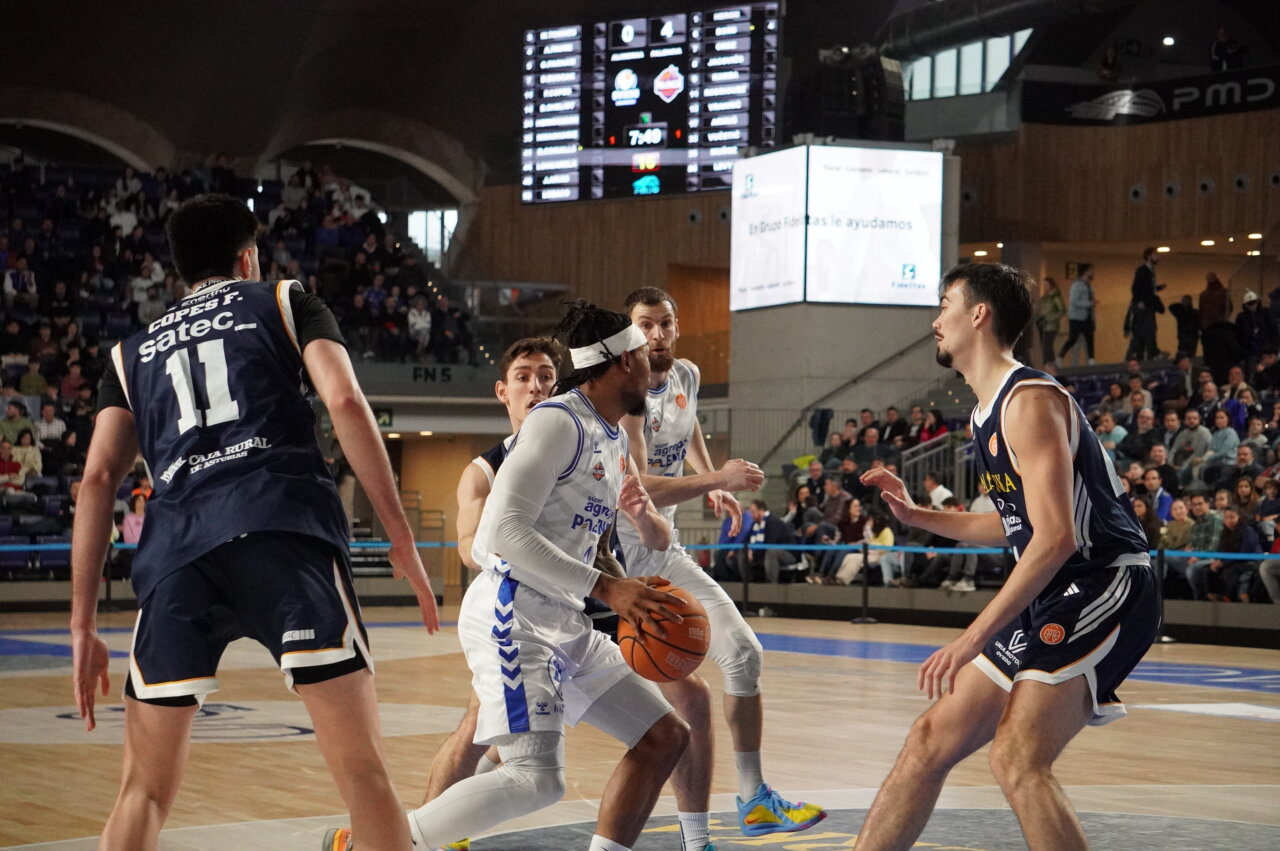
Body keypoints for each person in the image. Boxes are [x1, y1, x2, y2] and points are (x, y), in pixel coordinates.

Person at [70, 194, 439, 851]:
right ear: (247, 258)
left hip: (179, 554)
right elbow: (346, 400)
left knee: (143, 792)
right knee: (363, 773)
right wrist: (400, 537)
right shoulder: (281, 298)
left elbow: (97, 478)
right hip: (282, 527)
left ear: (181, 270)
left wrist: (82, 624)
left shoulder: (130, 352)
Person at [857, 263, 1157, 850]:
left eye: (945, 305)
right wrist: (920, 517)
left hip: (1106, 584)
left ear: (978, 314)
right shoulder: (984, 411)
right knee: (929, 741)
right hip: (1056, 593)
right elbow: (1015, 526)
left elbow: (1056, 539)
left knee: (1017, 758)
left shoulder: (1029, 401)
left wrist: (971, 638)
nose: (935, 320)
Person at [402, 300, 690, 851]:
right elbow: (499, 535)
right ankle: (376, 842)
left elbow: (589, 536)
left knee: (664, 736)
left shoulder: (609, 437)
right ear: (620, 362)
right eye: (639, 352)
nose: (651, 359)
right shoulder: (559, 422)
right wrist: (607, 587)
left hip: (562, 616)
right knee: (536, 778)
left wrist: (626, 571)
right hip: (513, 614)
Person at [618, 286, 826, 843]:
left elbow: (688, 431)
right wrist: (718, 479)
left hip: (662, 551)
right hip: (609, 564)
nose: (657, 334)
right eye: (645, 324)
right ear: (630, 331)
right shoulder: (627, 394)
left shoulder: (685, 376)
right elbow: (641, 486)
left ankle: (753, 798)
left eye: (665, 323)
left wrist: (711, 479)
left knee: (742, 655)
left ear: (677, 328)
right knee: (525, 731)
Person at [1125, 247, 1164, 362]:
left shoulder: (1151, 271)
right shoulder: (1143, 270)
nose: (1158, 257)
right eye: (1155, 255)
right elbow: (1136, 288)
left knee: (1148, 330)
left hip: (1148, 304)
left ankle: (1149, 354)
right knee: (1147, 330)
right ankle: (1151, 353)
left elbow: (1146, 288)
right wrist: (1139, 301)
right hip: (1144, 305)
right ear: (1148, 256)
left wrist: (1157, 288)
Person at [1058, 265, 1096, 366]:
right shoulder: (1076, 285)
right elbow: (1074, 301)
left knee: (1089, 338)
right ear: (1085, 272)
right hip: (1076, 317)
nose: (1092, 273)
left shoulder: (1089, 286)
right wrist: (1088, 303)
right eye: (1090, 270)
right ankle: (1060, 357)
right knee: (1073, 338)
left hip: (1087, 317)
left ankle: (1091, 360)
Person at [1035, 277, 1064, 367]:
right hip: (1042, 324)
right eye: (1044, 285)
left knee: (1047, 345)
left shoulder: (1055, 297)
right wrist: (1038, 318)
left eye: (1047, 285)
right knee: (1044, 345)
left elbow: (1062, 310)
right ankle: (1047, 364)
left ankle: (1050, 364)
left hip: (1051, 325)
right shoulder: (1044, 297)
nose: (1045, 287)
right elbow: (1040, 309)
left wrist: (1049, 318)